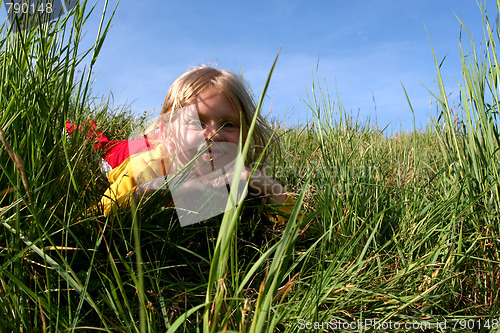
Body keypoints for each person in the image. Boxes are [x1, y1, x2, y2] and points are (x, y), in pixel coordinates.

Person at [99, 65, 295, 224]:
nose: (214, 135)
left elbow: (302, 229)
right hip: (136, 153)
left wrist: (269, 187)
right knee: (105, 145)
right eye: (196, 122)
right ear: (167, 133)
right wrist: (149, 192)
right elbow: (98, 215)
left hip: (165, 145)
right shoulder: (144, 169)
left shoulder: (238, 175)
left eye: (229, 124)